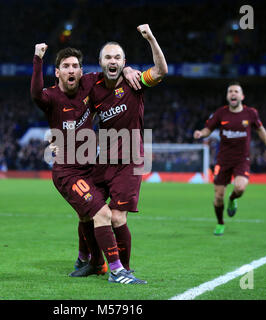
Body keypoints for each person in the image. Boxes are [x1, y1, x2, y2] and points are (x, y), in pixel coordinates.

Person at [31, 44, 147, 284]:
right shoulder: (51, 96)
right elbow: (35, 93)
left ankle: (87, 261)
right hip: (66, 172)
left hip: (90, 167)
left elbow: (112, 69)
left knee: (87, 218)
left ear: (81, 71)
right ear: (57, 72)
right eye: (65, 66)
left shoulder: (89, 83)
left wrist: (129, 70)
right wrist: (38, 59)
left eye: (75, 66)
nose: (71, 70)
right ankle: (116, 270)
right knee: (103, 213)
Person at [86, 24, 167, 284]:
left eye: (117, 57)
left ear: (124, 62)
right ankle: (91, 262)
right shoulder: (94, 88)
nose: (113, 61)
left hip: (130, 160)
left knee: (117, 215)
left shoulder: (135, 82)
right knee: (87, 210)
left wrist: (151, 38)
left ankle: (122, 270)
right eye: (108, 57)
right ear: (100, 62)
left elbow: (161, 71)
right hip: (103, 160)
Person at [193, 82, 266, 236]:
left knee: (240, 188)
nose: (233, 93)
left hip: (242, 159)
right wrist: (201, 133)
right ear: (227, 96)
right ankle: (220, 223)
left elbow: (261, 130)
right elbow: (208, 129)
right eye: (230, 91)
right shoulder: (221, 113)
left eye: (236, 91)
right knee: (218, 197)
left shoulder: (250, 113)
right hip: (223, 160)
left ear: (242, 96)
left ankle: (232, 199)